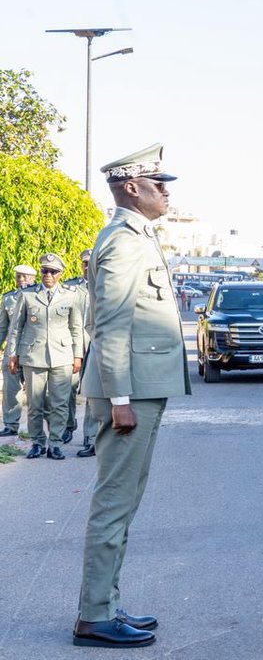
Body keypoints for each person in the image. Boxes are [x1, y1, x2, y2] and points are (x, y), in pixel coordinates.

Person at [74, 144, 190, 649]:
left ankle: (105, 604)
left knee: (124, 502)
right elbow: (113, 325)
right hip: (129, 394)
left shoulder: (136, 236)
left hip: (140, 390)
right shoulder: (124, 241)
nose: (165, 191)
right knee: (115, 504)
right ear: (130, 187)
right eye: (157, 183)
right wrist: (119, 397)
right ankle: (95, 616)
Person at [5, 253, 84, 460]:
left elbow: (76, 328)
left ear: (60, 274)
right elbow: (16, 328)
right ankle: (37, 442)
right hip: (33, 355)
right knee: (35, 403)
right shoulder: (28, 295)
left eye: (53, 271)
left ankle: (55, 443)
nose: (48, 275)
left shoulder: (71, 295)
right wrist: (12, 354)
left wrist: (78, 355)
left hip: (62, 356)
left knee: (59, 404)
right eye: (44, 271)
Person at [0, 264, 37, 437]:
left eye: (25, 276)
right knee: (10, 389)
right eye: (18, 276)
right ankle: (11, 424)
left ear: (33, 278)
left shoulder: (38, 295)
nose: (21, 279)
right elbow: (2, 327)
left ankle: (39, 427)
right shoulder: (8, 298)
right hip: (12, 350)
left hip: (32, 349)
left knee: (36, 391)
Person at [64, 249, 94, 451]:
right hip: (72, 346)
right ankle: (68, 425)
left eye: (91, 263)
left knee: (92, 391)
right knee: (67, 389)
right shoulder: (71, 287)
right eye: (85, 263)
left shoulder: (106, 285)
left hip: (95, 345)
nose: (87, 267)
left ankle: (90, 435)